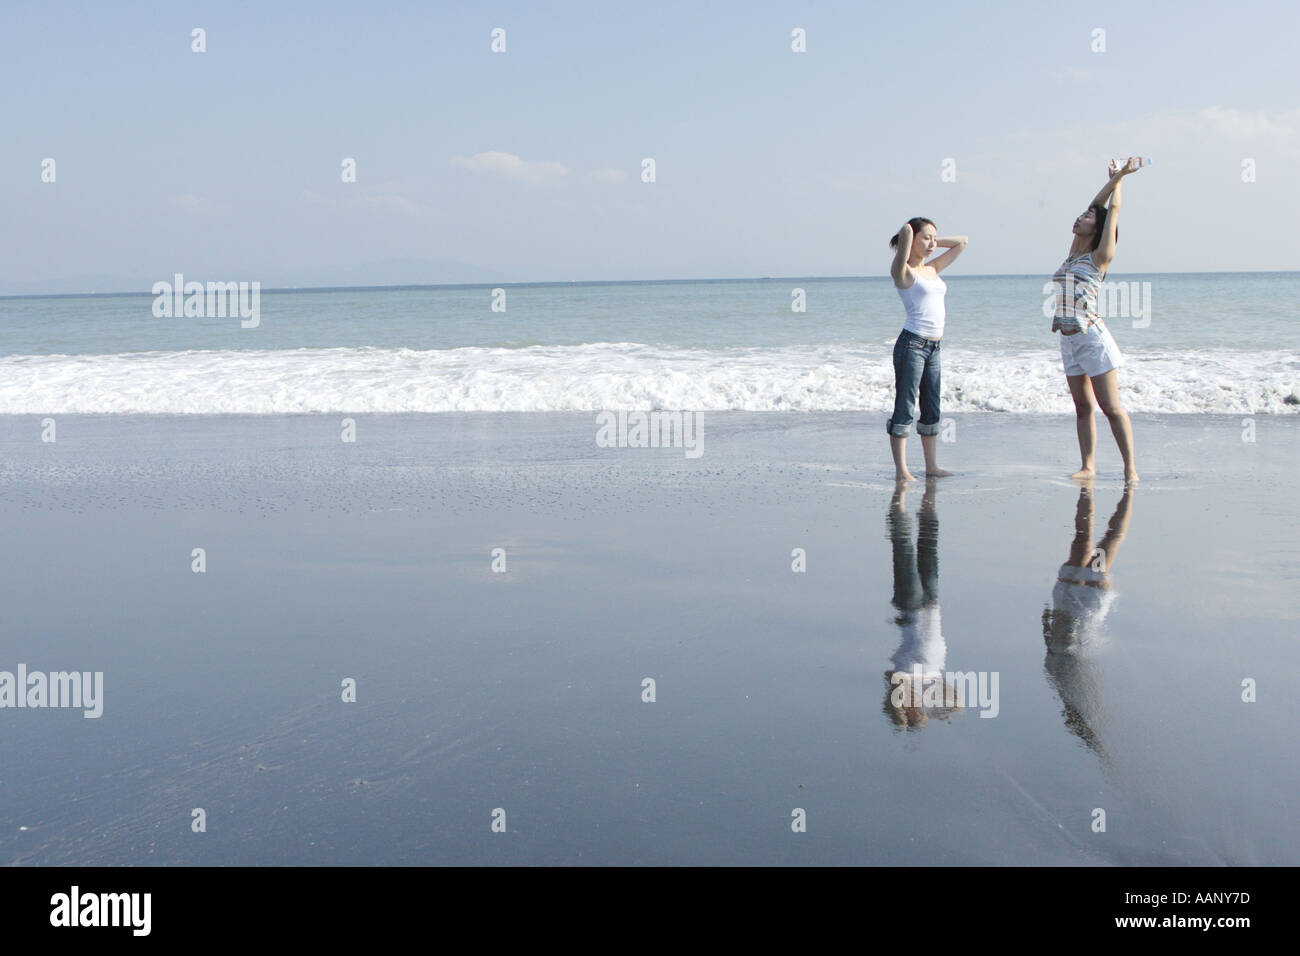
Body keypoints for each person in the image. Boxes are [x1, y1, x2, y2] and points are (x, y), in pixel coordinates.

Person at [1052, 158, 1143, 482]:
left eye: (1088, 216)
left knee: (1110, 407)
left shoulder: (1099, 256)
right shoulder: (1074, 251)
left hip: (1092, 337)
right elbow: (1096, 203)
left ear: (1100, 227)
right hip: (1068, 338)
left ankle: (1129, 467)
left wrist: (1121, 178)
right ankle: (1088, 466)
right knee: (1082, 407)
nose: (1081, 216)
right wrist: (1111, 179)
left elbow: (1110, 210)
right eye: (1081, 214)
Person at [887, 218, 967, 481]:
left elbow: (962, 242)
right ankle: (902, 470)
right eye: (927, 238)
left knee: (932, 407)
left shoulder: (933, 269)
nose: (933, 243)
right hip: (912, 345)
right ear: (911, 240)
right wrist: (908, 238)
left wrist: (931, 241)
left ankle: (931, 466)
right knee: (906, 405)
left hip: (934, 347)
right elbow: (900, 257)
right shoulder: (905, 272)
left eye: (935, 238)